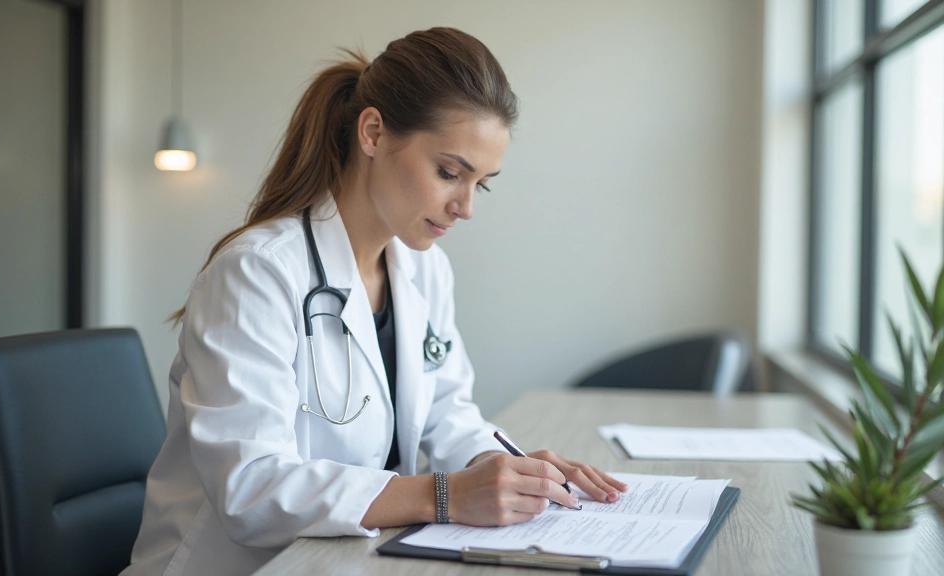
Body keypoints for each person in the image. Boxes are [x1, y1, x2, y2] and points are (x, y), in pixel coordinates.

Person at [123, 27, 627, 576]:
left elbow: (447, 411)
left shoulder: (424, 267)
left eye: (479, 184)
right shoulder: (258, 272)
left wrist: (503, 469)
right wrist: (445, 495)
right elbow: (251, 489)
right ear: (372, 133)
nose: (465, 208)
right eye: (449, 172)